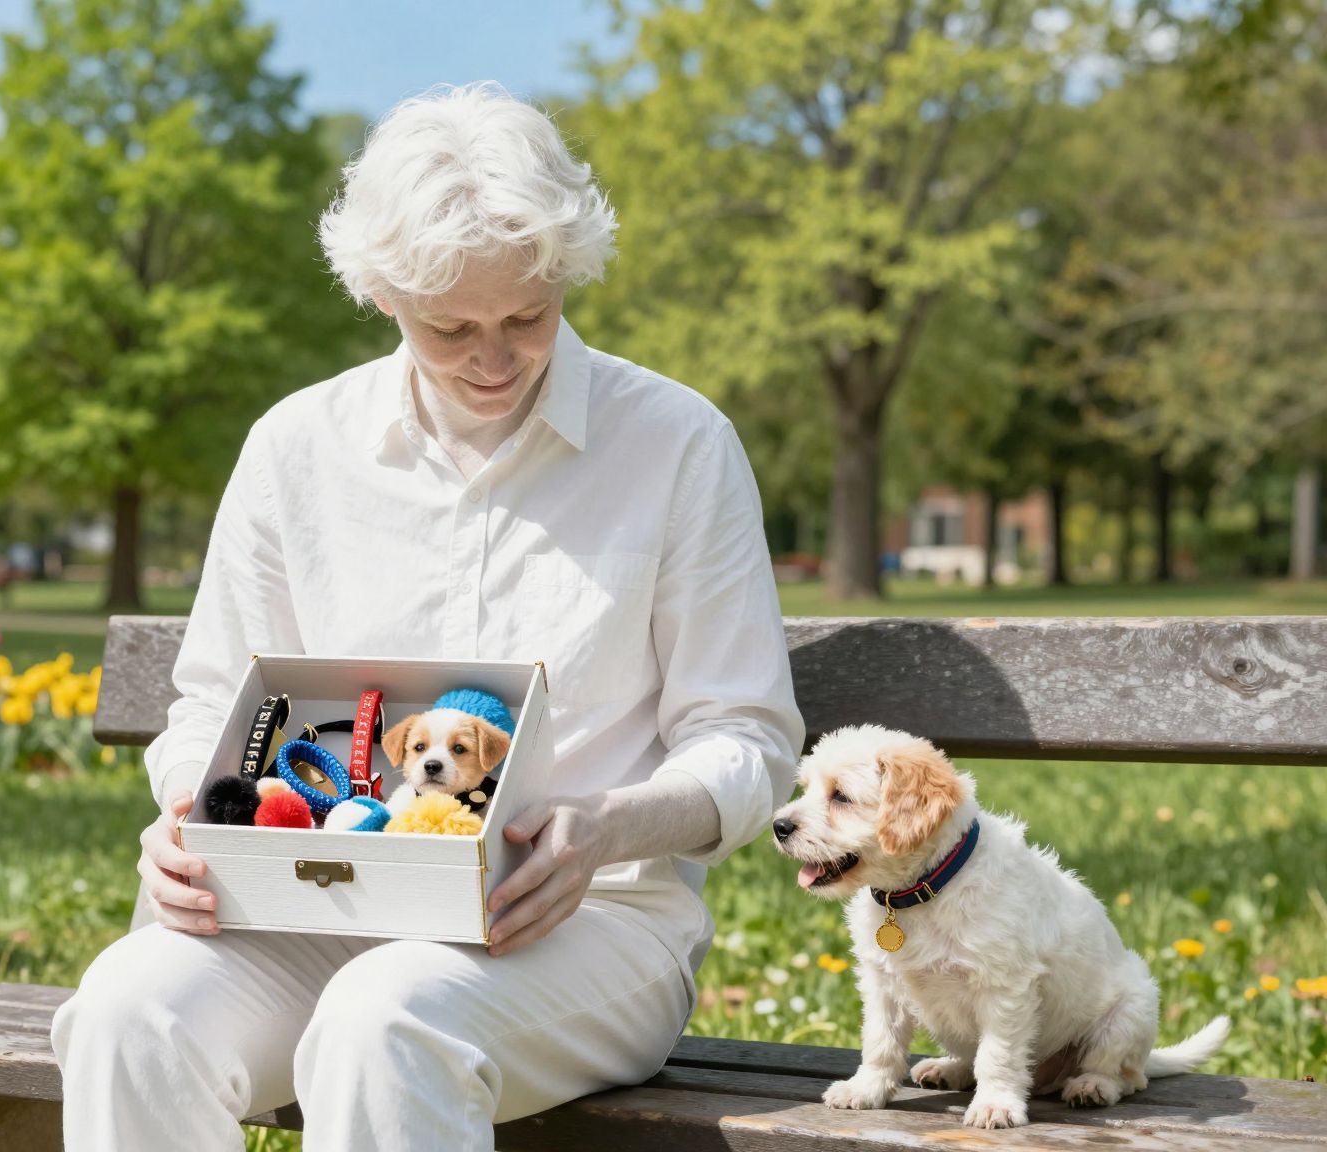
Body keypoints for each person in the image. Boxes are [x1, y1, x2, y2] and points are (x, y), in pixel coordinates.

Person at [51, 84, 806, 1152]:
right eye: (449, 327)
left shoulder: (677, 443)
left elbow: (746, 739)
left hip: (582, 920)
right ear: (379, 295)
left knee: (385, 1019)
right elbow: (208, 704)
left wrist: (607, 831)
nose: (492, 360)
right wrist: (193, 809)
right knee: (127, 1013)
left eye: (525, 318)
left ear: (566, 275)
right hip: (313, 901)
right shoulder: (295, 446)